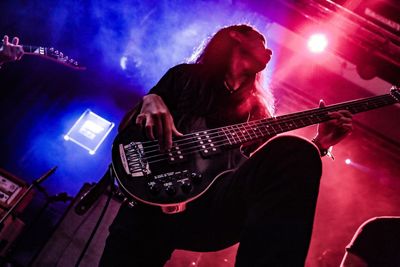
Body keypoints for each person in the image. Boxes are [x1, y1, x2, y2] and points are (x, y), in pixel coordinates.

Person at [100, 24, 353, 266]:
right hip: (152, 203)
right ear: (236, 36)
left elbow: (257, 176)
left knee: (297, 150)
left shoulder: (259, 112)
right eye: (261, 42)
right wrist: (150, 100)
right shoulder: (185, 76)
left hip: (207, 208)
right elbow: (128, 129)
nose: (270, 51)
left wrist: (319, 144)